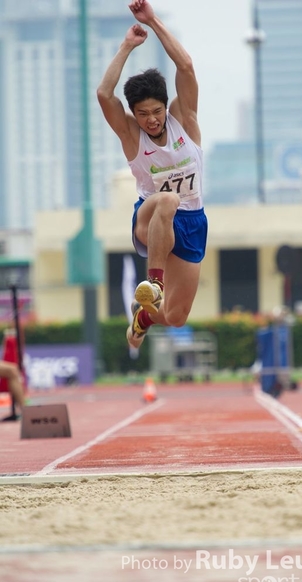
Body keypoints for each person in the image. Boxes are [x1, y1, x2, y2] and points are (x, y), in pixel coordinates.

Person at [97, 0, 207, 349]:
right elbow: (104, 94)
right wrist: (127, 45)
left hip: (193, 221)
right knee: (167, 199)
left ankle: (143, 315)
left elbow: (186, 66)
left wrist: (154, 21)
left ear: (165, 106)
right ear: (135, 114)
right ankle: (154, 285)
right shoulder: (132, 135)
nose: (152, 120)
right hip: (149, 218)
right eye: (143, 114)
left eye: (156, 111)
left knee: (176, 317)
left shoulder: (184, 121)